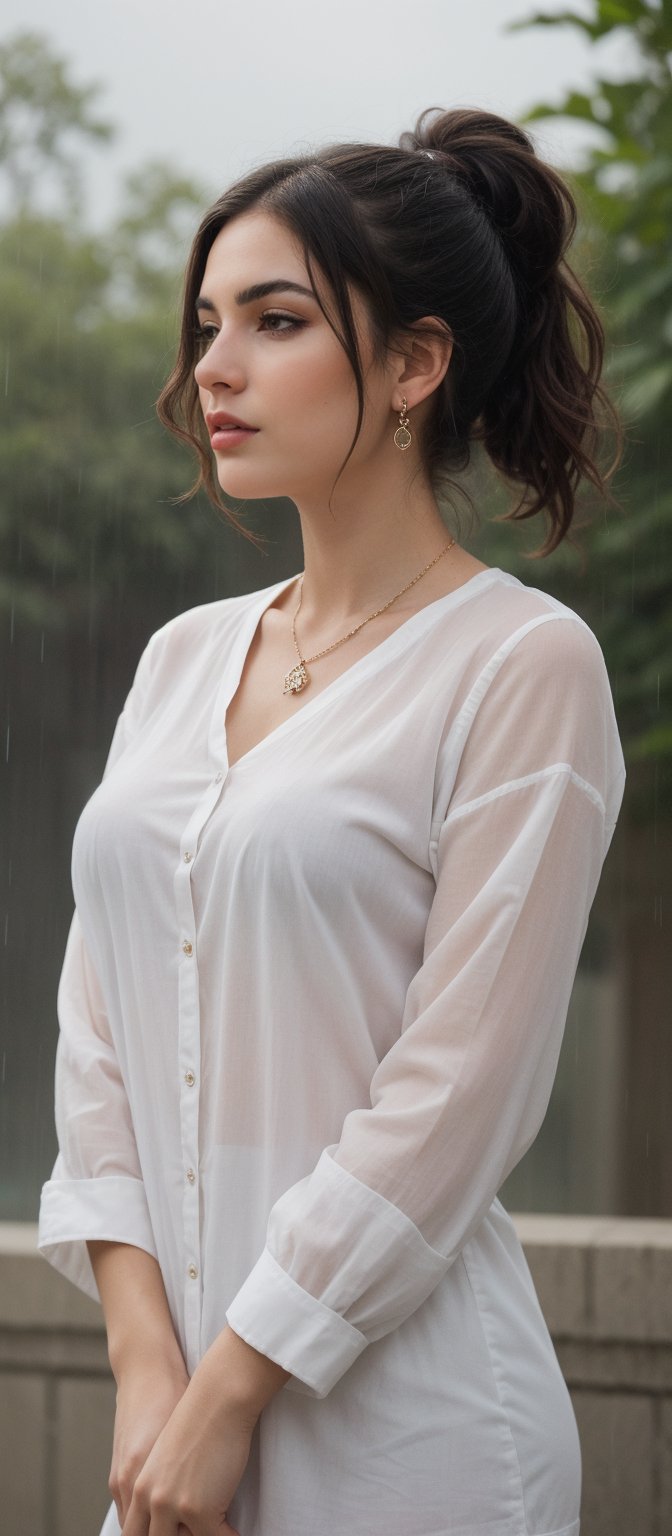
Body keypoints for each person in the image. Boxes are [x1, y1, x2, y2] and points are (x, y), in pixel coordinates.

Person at [38, 107, 626, 1536]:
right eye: (205, 322)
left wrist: (234, 1388)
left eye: (275, 320)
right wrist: (143, 1367)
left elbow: (457, 1091)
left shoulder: (522, 665)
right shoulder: (183, 657)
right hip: (167, 1434)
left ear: (417, 362)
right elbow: (97, 1029)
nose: (213, 367)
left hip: (411, 1448)